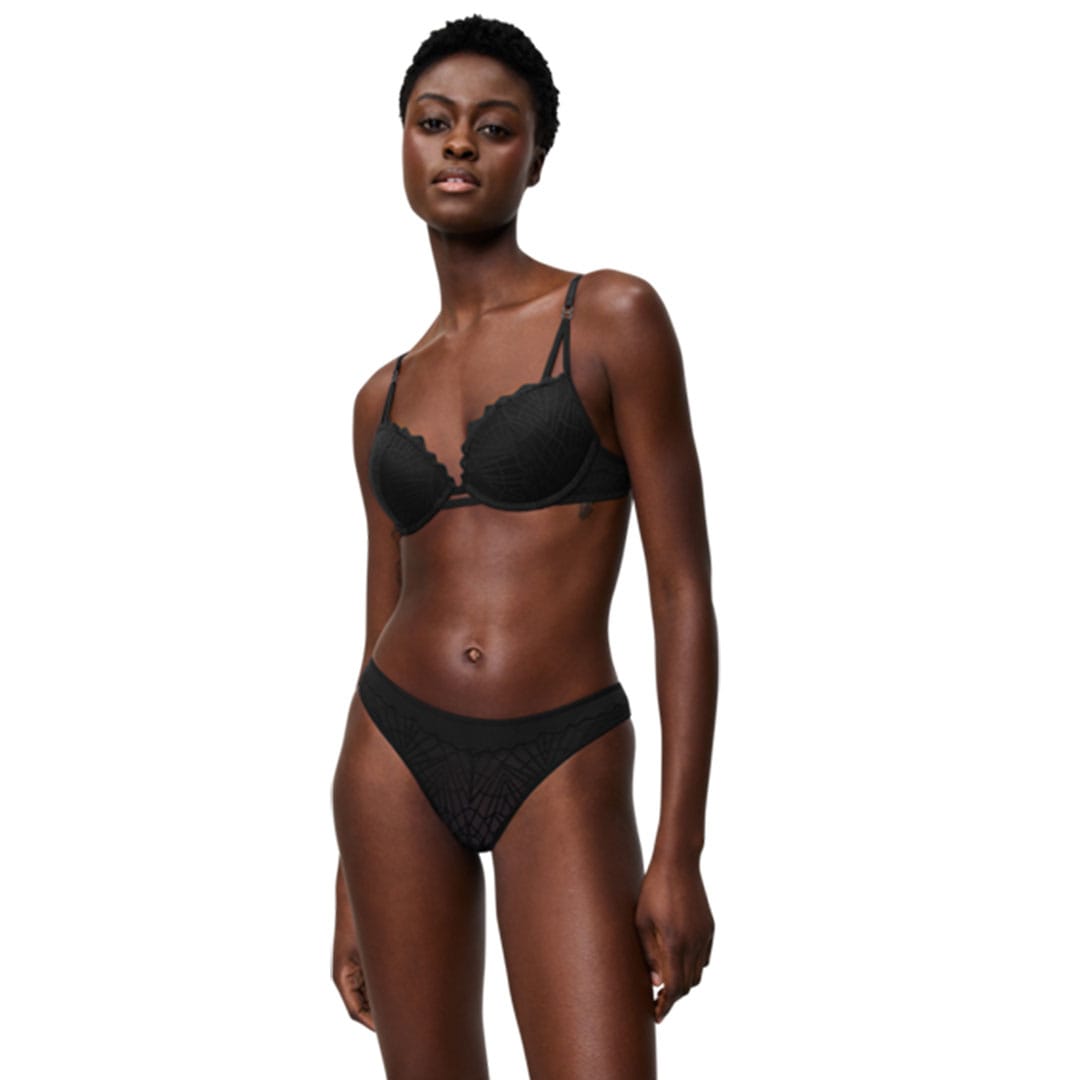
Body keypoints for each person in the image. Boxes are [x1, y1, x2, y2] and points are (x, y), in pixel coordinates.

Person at [332, 15, 718, 1079]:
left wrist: (679, 848)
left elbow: (682, 591)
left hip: (564, 754)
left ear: (535, 158)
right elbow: (380, 618)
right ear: (404, 142)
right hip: (391, 760)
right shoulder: (379, 399)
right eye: (433, 122)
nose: (460, 143)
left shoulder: (611, 318)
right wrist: (347, 876)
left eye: (494, 127)